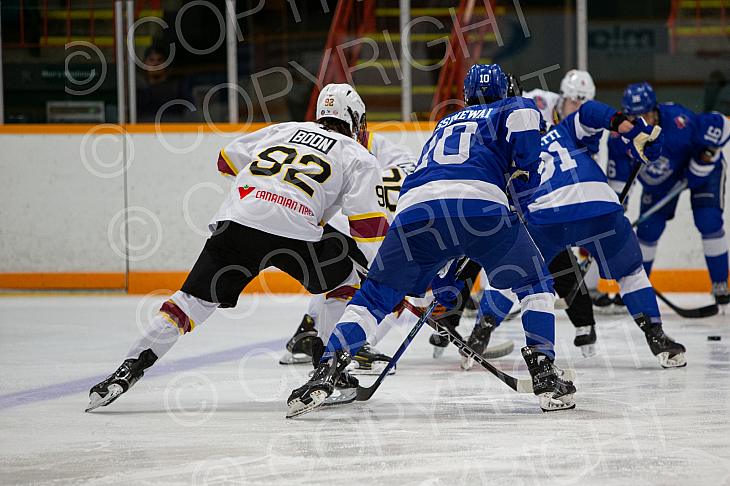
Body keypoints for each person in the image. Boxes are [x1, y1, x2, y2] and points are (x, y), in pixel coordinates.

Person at [287, 63, 576, 418]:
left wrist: (439, 274)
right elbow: (526, 159)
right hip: (481, 208)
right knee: (536, 285)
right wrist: (521, 198)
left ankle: (328, 367)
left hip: (415, 213)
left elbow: (437, 190)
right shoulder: (515, 107)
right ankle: (544, 371)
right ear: (506, 90)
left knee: (375, 296)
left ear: (467, 95)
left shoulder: (444, 124)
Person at [86, 83, 390, 411]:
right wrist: (382, 275)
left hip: (238, 221)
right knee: (345, 278)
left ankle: (126, 370)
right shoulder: (358, 154)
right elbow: (368, 228)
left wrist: (265, 192)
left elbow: (225, 160)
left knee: (190, 303)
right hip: (297, 230)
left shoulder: (283, 129)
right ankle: (328, 371)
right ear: (356, 121)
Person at [476, 93, 688, 368]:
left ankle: (481, 333)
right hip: (600, 206)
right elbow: (589, 111)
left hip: (547, 216)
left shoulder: (509, 154)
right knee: (631, 273)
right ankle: (658, 338)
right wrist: (631, 128)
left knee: (519, 276)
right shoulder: (564, 130)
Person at [278, 92, 418, 374]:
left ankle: (307, 334)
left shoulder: (305, 137)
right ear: (355, 117)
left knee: (339, 276)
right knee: (387, 283)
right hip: (355, 222)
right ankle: (358, 345)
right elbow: (410, 174)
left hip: (311, 221)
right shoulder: (363, 147)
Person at [608, 82, 730, 309]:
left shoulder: (679, 121)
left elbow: (722, 125)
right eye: (634, 117)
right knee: (648, 230)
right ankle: (637, 290)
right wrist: (615, 208)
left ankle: (720, 283)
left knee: (708, 221)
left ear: (654, 110)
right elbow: (620, 182)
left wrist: (703, 161)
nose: (640, 122)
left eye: (645, 114)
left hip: (703, 174)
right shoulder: (619, 138)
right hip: (662, 182)